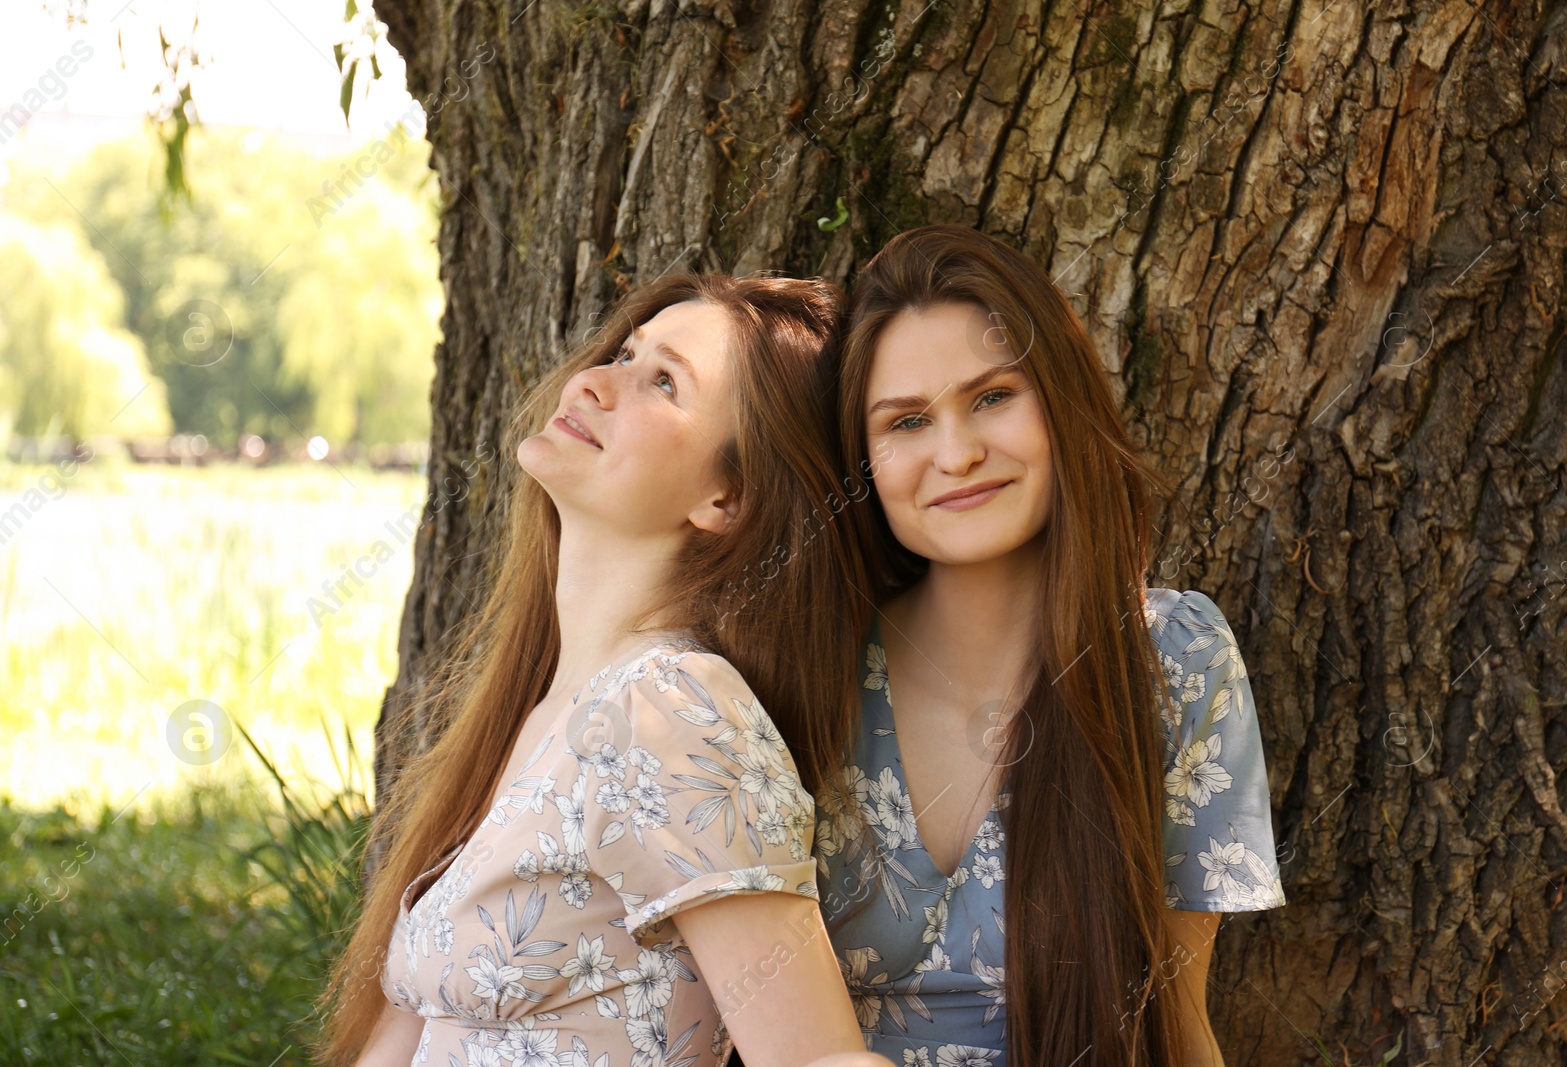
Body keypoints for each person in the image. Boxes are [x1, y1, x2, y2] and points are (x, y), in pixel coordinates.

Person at [316, 272, 895, 1067]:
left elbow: (814, 1059)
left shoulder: (674, 709)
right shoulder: (541, 709)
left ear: (727, 497)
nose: (592, 382)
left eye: (663, 381)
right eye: (624, 353)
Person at [813, 226, 1287, 1067]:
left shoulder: (1171, 657)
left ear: (1059, 401)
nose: (956, 454)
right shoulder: (812, 664)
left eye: (992, 397)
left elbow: (1176, 1026)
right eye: (909, 421)